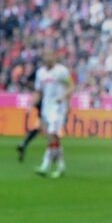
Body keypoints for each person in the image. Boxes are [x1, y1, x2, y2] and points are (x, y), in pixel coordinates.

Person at [33, 49, 74, 178]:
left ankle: (45, 165)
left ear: (55, 57)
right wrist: (32, 104)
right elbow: (38, 90)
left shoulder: (61, 71)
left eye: (50, 55)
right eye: (46, 55)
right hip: (46, 108)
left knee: (52, 134)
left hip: (58, 107)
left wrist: (63, 97)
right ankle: (61, 167)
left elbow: (71, 86)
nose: (48, 58)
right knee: (52, 137)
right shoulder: (40, 73)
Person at [17, 66, 45, 162]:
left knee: (39, 127)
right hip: (45, 103)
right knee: (50, 131)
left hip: (40, 102)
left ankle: (23, 143)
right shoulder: (42, 73)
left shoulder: (39, 72)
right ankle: (51, 155)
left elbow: (28, 82)